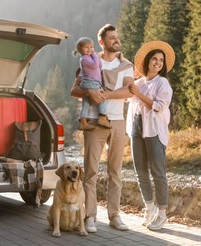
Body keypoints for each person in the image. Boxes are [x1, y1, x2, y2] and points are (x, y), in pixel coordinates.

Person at [70, 24, 134, 232]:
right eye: (112, 37)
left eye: (117, 37)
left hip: (117, 121)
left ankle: (114, 216)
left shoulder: (125, 64)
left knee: (115, 171)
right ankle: (90, 217)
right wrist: (90, 93)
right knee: (90, 172)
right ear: (101, 42)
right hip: (94, 122)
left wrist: (104, 95)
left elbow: (129, 91)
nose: (116, 40)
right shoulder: (90, 61)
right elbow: (74, 90)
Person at [126, 40, 175, 231]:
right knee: (140, 171)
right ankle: (149, 208)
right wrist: (134, 81)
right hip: (136, 128)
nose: (157, 63)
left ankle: (162, 213)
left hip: (154, 130)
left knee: (158, 172)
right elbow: (125, 94)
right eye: (154, 59)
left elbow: (159, 106)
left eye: (161, 60)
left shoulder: (163, 83)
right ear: (147, 61)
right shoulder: (138, 82)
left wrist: (138, 93)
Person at [72, 37, 111, 130]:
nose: (90, 49)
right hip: (91, 82)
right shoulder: (84, 59)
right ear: (80, 50)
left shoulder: (89, 57)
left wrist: (96, 58)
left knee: (86, 103)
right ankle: (102, 117)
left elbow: (99, 66)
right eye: (86, 47)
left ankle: (83, 121)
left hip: (90, 82)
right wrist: (95, 55)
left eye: (91, 47)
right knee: (102, 97)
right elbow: (95, 65)